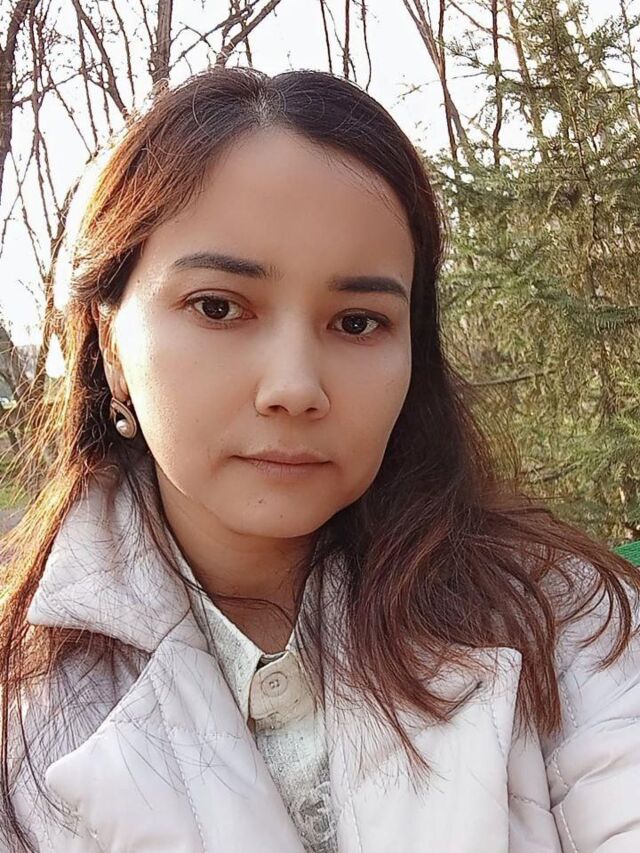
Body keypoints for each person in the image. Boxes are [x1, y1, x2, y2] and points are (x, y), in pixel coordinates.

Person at [1, 66, 639, 853]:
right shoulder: (24, 707)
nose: (296, 387)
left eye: (358, 322)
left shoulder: (564, 620)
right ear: (110, 343)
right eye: (218, 307)